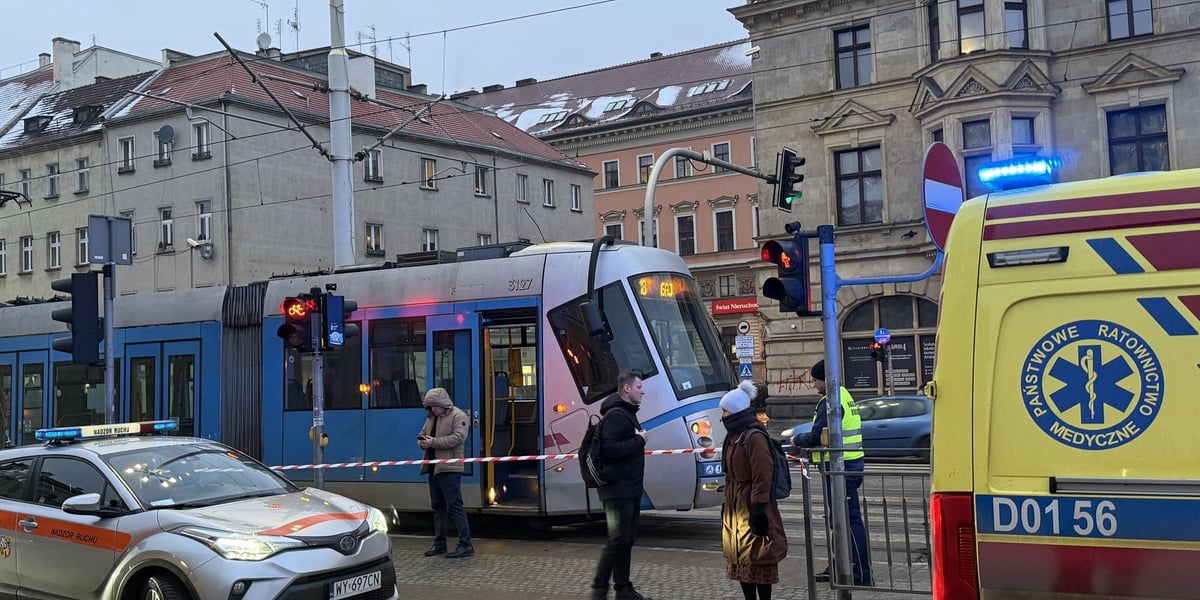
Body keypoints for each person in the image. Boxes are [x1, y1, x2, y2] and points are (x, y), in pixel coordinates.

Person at [791, 360, 871, 586]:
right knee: (838, 519)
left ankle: (859, 572)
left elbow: (818, 436)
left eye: (815, 380)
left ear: (825, 379)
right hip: (849, 465)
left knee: (848, 519)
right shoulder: (844, 395)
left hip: (841, 469)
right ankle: (840, 567)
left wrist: (797, 440)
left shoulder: (831, 401)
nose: (813, 384)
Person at [720, 380, 788, 600]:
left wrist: (758, 511)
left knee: (759, 560)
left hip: (753, 509)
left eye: (725, 411)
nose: (722, 415)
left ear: (737, 412)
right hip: (736, 508)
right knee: (741, 561)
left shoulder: (755, 437)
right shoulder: (732, 438)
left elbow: (762, 476)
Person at [591, 371, 653, 600]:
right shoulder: (617, 415)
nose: (642, 390)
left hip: (627, 487)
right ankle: (599, 589)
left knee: (626, 539)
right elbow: (609, 449)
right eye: (638, 387)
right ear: (626, 389)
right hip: (617, 490)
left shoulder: (625, 413)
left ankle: (623, 589)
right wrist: (639, 440)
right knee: (618, 539)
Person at [417, 387, 474, 559]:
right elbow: (422, 434)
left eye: (434, 406)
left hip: (449, 468)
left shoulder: (458, 416)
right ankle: (439, 543)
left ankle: (465, 544)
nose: (432, 410)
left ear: (443, 404)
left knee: (454, 506)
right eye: (430, 407)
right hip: (433, 467)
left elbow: (458, 438)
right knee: (438, 507)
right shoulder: (432, 418)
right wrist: (422, 442)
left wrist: (434, 442)